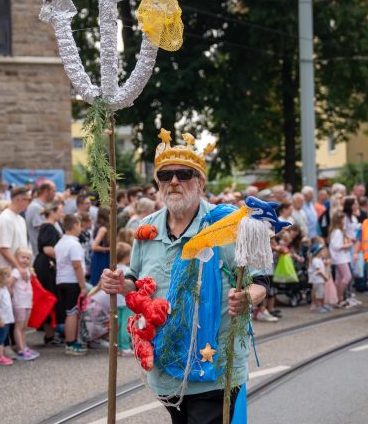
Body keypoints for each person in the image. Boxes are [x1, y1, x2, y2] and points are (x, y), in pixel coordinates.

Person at [100, 129, 268, 424]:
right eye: (166, 176)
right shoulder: (145, 229)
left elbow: (261, 282)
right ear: (157, 183)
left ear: (200, 181)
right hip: (165, 369)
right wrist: (119, 283)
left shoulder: (228, 225)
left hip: (215, 369)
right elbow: (137, 284)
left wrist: (246, 298)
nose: (174, 181)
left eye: (184, 174)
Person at [54, 214, 87, 355]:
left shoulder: (60, 242)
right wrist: (83, 286)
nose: (80, 228)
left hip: (61, 279)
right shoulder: (74, 243)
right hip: (72, 281)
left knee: (69, 311)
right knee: (72, 312)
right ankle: (71, 343)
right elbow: (77, 265)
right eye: (79, 225)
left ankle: (71, 341)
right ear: (75, 225)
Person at [34, 201, 63, 344]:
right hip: (46, 266)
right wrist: (64, 257)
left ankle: (50, 333)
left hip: (47, 264)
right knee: (49, 297)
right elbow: (48, 249)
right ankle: (49, 335)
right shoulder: (48, 227)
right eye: (59, 211)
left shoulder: (49, 227)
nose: (61, 214)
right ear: (52, 212)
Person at [0, 187, 31, 271]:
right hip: (5, 273)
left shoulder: (21, 219)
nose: (29, 203)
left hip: (17, 272)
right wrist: (19, 267)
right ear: (20, 200)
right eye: (28, 200)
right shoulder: (5, 218)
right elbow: (3, 248)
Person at [10, 248, 38, 361]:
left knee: (24, 327)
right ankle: (21, 349)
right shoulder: (16, 271)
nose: (25, 260)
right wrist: (12, 294)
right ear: (16, 258)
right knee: (19, 326)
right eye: (23, 257)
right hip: (19, 302)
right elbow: (9, 283)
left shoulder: (27, 270)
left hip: (27, 302)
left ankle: (24, 347)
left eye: (28, 258)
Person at [328, 212, 353, 307]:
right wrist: (348, 245)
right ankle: (339, 297)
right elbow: (337, 246)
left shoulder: (336, 231)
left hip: (339, 258)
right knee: (347, 276)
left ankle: (337, 298)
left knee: (338, 279)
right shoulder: (338, 232)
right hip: (340, 258)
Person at [26, 181, 55, 252]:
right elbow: (44, 231)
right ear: (46, 191)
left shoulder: (44, 206)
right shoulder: (36, 207)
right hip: (41, 253)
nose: (55, 194)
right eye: (53, 191)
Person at [88, 206, 111, 286]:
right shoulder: (103, 229)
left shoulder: (103, 227)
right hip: (101, 258)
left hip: (103, 257)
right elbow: (94, 247)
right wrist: (109, 249)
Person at [308, 242, 331, 312]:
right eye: (322, 251)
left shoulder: (319, 260)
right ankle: (318, 306)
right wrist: (325, 277)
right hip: (318, 280)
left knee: (322, 293)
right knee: (319, 294)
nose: (323, 252)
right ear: (318, 252)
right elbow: (319, 271)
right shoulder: (315, 261)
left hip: (321, 280)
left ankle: (322, 305)